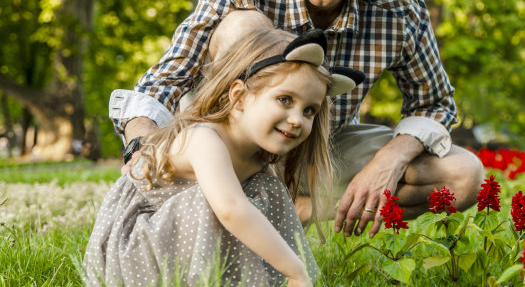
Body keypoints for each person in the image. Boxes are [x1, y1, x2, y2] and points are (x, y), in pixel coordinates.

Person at [109, 0, 485, 240]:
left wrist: (387, 163)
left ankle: (296, 208)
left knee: (463, 176)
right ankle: (223, 191)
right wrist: (141, 150)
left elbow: (435, 103)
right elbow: (164, 81)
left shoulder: (398, 5)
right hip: (221, 147)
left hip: (316, 151)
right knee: (245, 26)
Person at [86, 28, 364, 286]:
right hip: (132, 247)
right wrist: (295, 270)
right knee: (223, 204)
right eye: (285, 100)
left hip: (172, 242)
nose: (296, 120)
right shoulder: (204, 139)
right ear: (239, 96)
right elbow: (231, 210)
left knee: (270, 191)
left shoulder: (258, 159)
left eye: (309, 111)